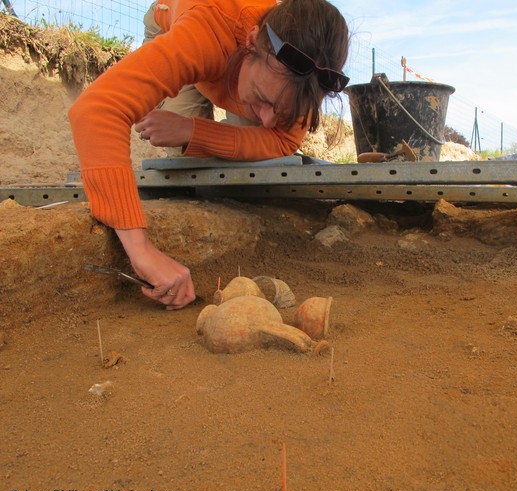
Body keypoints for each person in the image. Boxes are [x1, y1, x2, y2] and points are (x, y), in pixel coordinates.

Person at [68, 0, 350, 310]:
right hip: (181, 18)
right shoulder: (205, 31)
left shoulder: (304, 74)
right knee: (183, 158)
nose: (268, 120)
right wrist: (141, 250)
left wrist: (194, 132)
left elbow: (280, 140)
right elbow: (97, 110)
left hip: (236, 62)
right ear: (251, 42)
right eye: (262, 98)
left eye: (281, 110)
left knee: (255, 156)